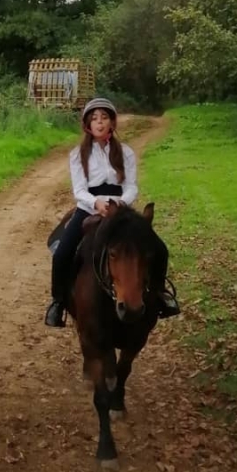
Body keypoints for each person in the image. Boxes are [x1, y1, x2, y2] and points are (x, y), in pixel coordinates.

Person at [44, 97, 180, 327]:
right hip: (89, 208)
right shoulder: (78, 154)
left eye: (104, 117)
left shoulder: (125, 152)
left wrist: (121, 203)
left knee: (159, 248)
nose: (99, 122)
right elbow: (78, 189)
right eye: (94, 118)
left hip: (121, 209)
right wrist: (97, 203)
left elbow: (131, 186)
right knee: (62, 253)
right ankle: (58, 302)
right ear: (87, 124)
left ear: (112, 122)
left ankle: (160, 294)